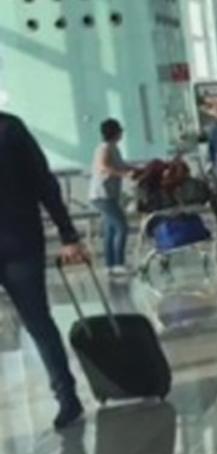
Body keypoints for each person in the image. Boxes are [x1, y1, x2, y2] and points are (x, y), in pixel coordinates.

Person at [0, 112, 88, 430]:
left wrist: (68, 234)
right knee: (39, 321)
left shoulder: (9, 129)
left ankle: (67, 396)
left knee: (37, 320)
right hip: (21, 239)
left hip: (19, 243)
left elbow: (42, 181)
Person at [88, 119, 137, 276]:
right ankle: (118, 263)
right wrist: (123, 174)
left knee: (110, 229)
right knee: (121, 227)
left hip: (109, 195)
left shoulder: (114, 148)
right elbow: (104, 166)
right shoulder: (104, 148)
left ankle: (110, 264)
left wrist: (136, 170)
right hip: (102, 195)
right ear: (116, 132)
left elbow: (121, 165)